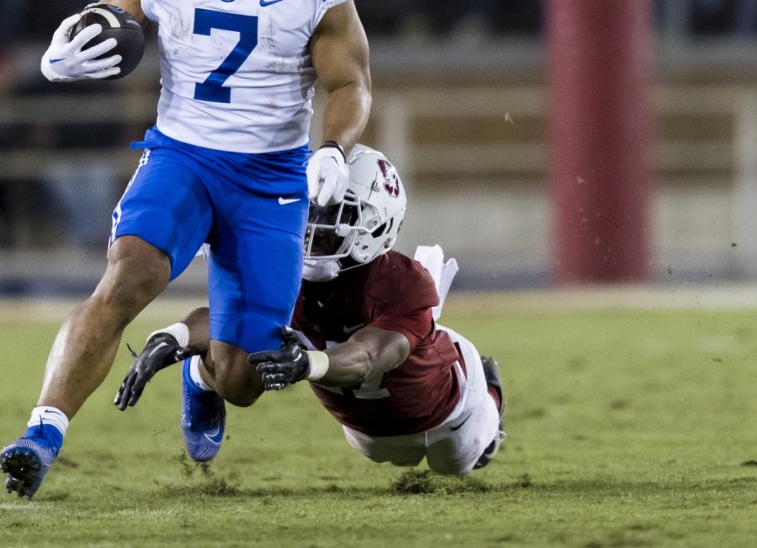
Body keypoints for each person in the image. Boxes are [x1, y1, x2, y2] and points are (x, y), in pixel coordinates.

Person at [0, 0, 373, 498]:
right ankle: (42, 432)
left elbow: (349, 83)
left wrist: (334, 152)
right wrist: (72, 46)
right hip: (183, 154)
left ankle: (202, 373)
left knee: (245, 373)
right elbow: (121, 11)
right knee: (125, 278)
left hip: (270, 179)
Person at [116, 145, 505, 475]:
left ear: (375, 222)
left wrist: (307, 364)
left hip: (448, 402)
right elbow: (225, 321)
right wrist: (172, 337)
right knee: (239, 348)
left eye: (337, 214)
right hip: (363, 431)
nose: (316, 226)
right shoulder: (283, 267)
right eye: (311, 211)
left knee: (456, 461)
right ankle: (200, 376)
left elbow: (370, 355)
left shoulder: (399, 281)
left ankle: (490, 391)